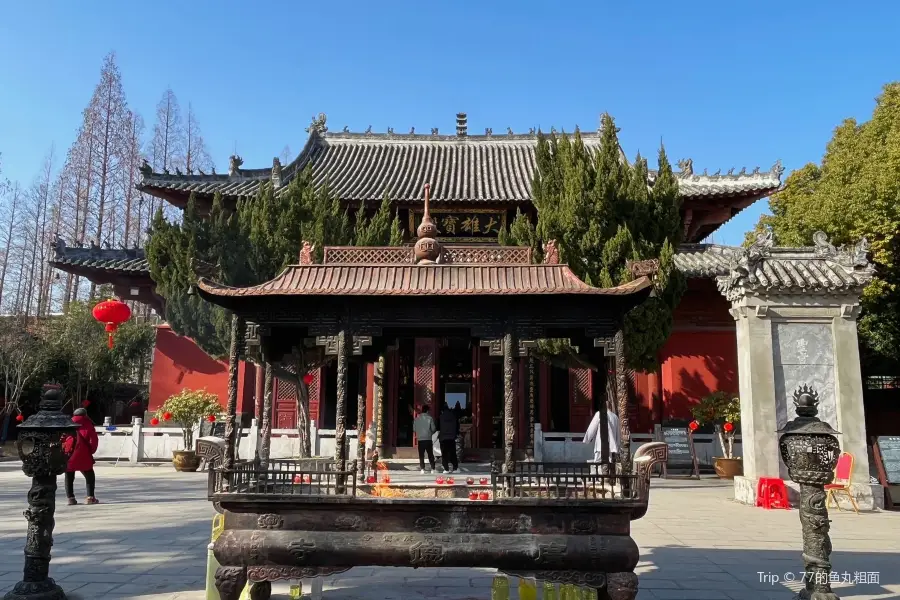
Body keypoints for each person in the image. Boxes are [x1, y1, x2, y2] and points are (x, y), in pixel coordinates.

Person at [65, 408, 100, 505]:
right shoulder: (88, 424)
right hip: (84, 453)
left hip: (70, 453)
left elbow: (62, 438)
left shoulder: (68, 424)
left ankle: (70, 498)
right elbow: (93, 440)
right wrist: (91, 451)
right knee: (89, 474)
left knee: (69, 475)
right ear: (85, 415)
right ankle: (90, 497)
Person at [583, 400, 621, 476]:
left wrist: (587, 439)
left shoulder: (599, 414)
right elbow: (618, 433)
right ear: (610, 407)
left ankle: (598, 480)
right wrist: (618, 446)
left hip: (601, 445)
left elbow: (592, 427)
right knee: (609, 464)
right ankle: (608, 480)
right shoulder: (615, 417)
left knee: (598, 463)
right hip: (611, 446)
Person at [413, 405, 437, 474]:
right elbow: (433, 429)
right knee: (430, 454)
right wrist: (430, 433)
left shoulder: (416, 419)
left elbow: (414, 429)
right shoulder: (430, 418)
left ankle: (422, 469)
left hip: (420, 440)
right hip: (428, 439)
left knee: (421, 455)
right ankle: (432, 468)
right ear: (427, 411)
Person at [438, 402, 460, 474]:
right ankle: (455, 468)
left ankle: (446, 469)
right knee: (453, 453)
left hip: (443, 438)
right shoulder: (453, 416)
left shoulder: (440, 417)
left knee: (444, 454)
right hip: (451, 437)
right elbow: (457, 426)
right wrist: (456, 434)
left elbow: (437, 427)